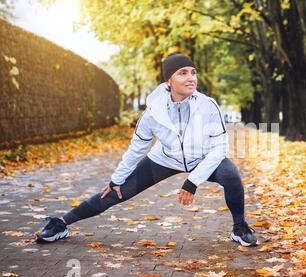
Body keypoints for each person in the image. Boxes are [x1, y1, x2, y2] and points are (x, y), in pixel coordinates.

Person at [36, 53, 259, 247]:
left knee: (230, 174)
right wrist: (117, 179)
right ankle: (62, 224)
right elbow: (136, 148)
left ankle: (239, 228)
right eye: (183, 73)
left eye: (193, 72)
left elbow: (220, 147)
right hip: (164, 159)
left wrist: (193, 181)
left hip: (202, 158)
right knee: (116, 191)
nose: (191, 77)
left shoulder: (208, 105)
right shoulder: (153, 112)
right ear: (168, 81)